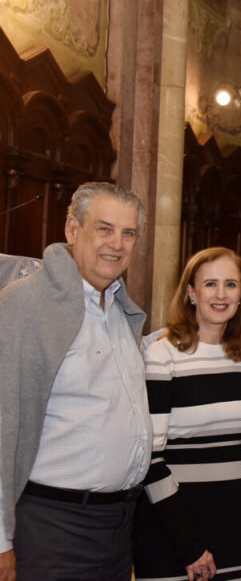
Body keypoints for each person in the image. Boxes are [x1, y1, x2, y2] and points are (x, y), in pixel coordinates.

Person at [0, 182, 150, 580]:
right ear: (71, 229)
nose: (116, 244)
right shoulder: (25, 304)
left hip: (118, 527)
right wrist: (0, 540)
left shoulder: (120, 309)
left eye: (128, 233)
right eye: (104, 229)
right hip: (53, 527)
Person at [132, 247, 241, 581]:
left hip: (239, 529)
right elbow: (151, 459)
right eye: (210, 284)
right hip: (174, 530)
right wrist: (188, 545)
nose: (221, 295)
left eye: (231, 285)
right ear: (191, 292)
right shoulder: (163, 356)